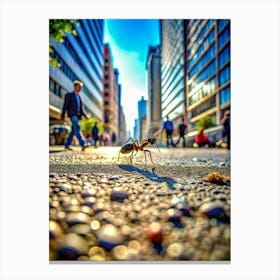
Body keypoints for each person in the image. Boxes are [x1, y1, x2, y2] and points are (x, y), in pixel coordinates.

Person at [60, 80, 91, 151]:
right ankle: (83, 143)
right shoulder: (69, 95)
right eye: (79, 87)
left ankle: (67, 145)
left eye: (81, 87)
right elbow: (65, 105)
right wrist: (63, 114)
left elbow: (81, 109)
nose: (80, 89)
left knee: (73, 131)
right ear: (75, 86)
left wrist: (85, 115)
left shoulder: (79, 97)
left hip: (77, 116)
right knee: (77, 127)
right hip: (72, 115)